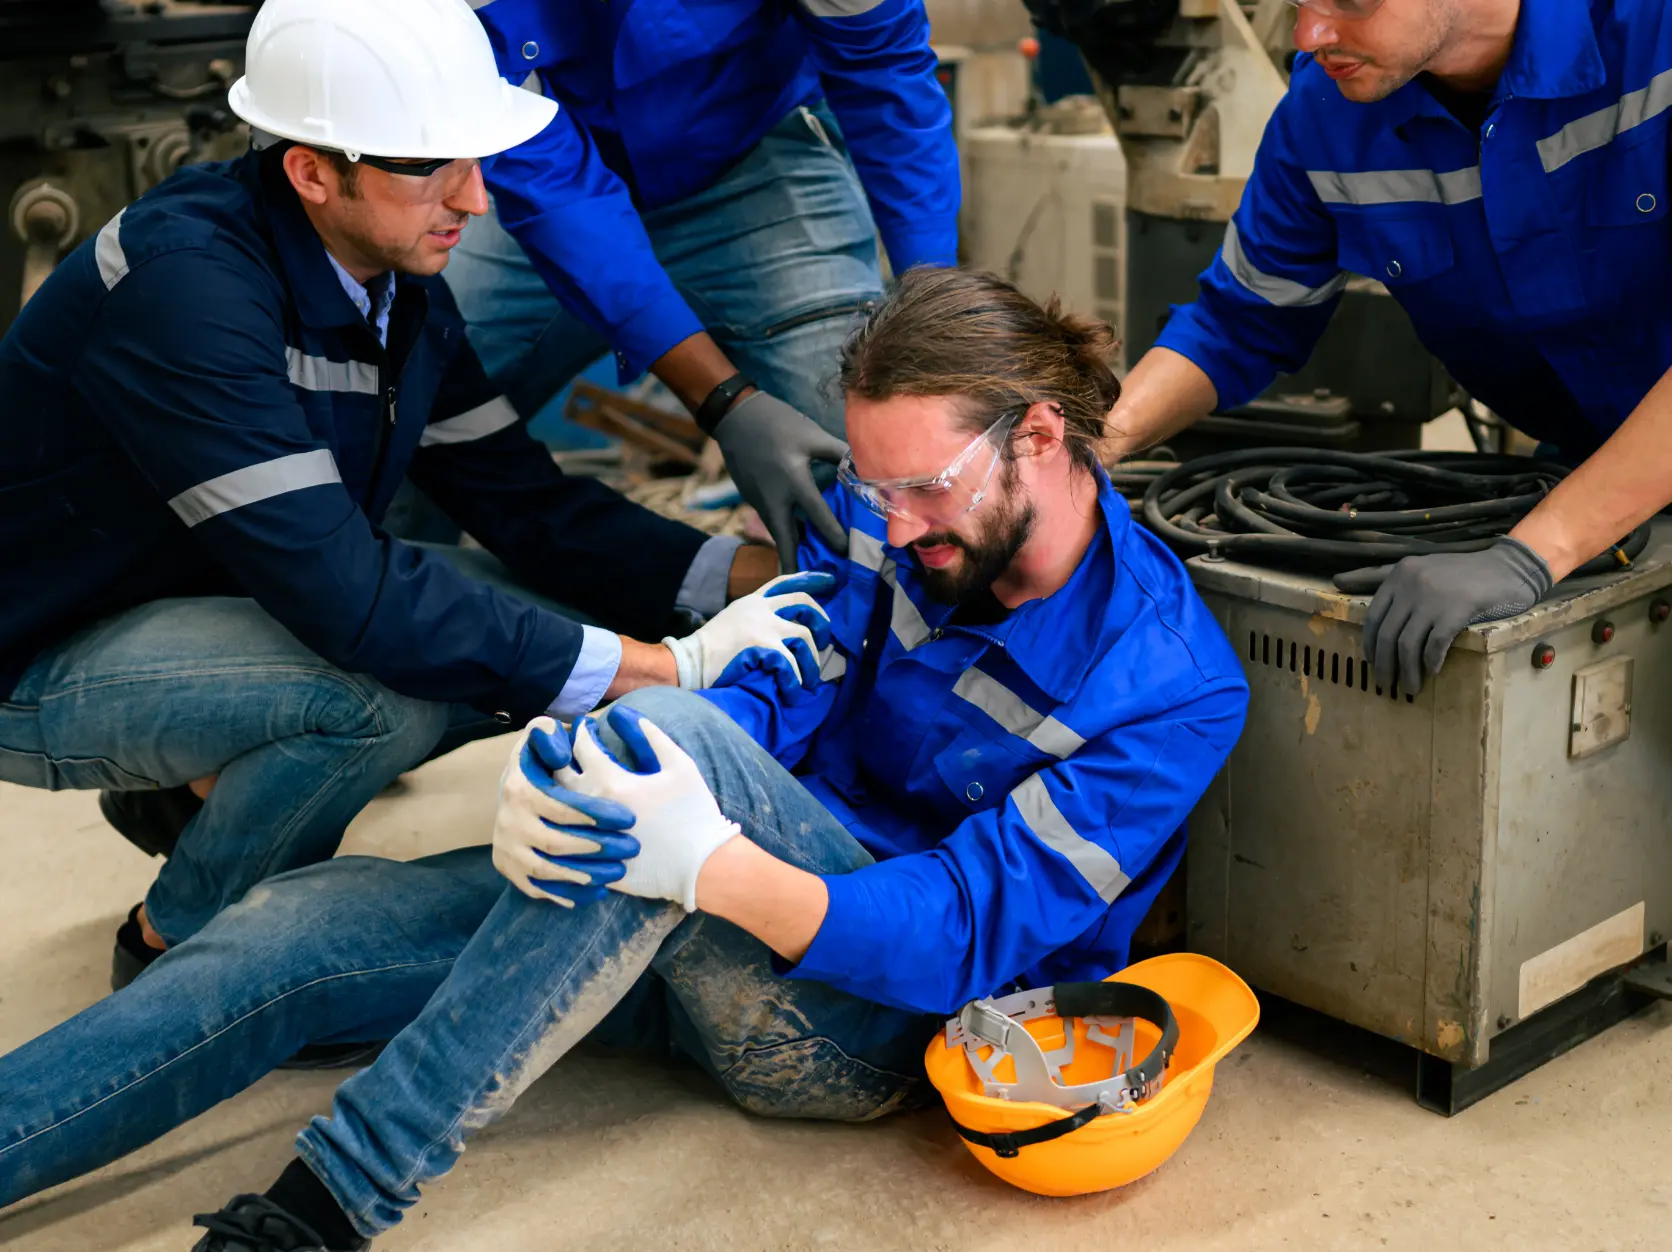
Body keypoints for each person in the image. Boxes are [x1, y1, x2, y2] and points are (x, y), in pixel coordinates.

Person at [0, 269, 1249, 1247]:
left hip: (858, 1024)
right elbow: (772, 687)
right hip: (681, 908)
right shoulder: (898, 518)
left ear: (1037, 436)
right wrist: (569, 778)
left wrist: (709, 859)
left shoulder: (1172, 688)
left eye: (920, 488)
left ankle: (334, 1195)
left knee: (668, 739)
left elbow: (964, 932)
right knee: (290, 931)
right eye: (877, 488)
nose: (889, 519)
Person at [0, 0, 819, 992]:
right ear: (312, 169)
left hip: (210, 604)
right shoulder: (188, 290)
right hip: (44, 650)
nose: (474, 201)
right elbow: (353, 602)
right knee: (375, 692)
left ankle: (188, 792)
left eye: (473, 159)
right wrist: (663, 670)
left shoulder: (394, 286)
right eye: (428, 166)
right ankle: (177, 948)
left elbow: (525, 506)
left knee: (531, 621)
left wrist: (742, 580)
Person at [1101, 0, 1672, 693]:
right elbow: (1239, 320)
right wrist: (1095, 444)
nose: (1310, 36)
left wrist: (1533, 554)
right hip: (1585, 475)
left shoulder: (1654, 38)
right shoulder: (1326, 112)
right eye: (1295, 3)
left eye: (1349, 2)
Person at [410, 0, 961, 570]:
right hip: (535, 172)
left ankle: (873, 635)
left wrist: (930, 309)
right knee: (408, 396)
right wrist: (725, 402)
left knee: (881, 446)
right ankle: (402, 620)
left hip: (755, 160)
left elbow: (882, 69)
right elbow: (546, 179)